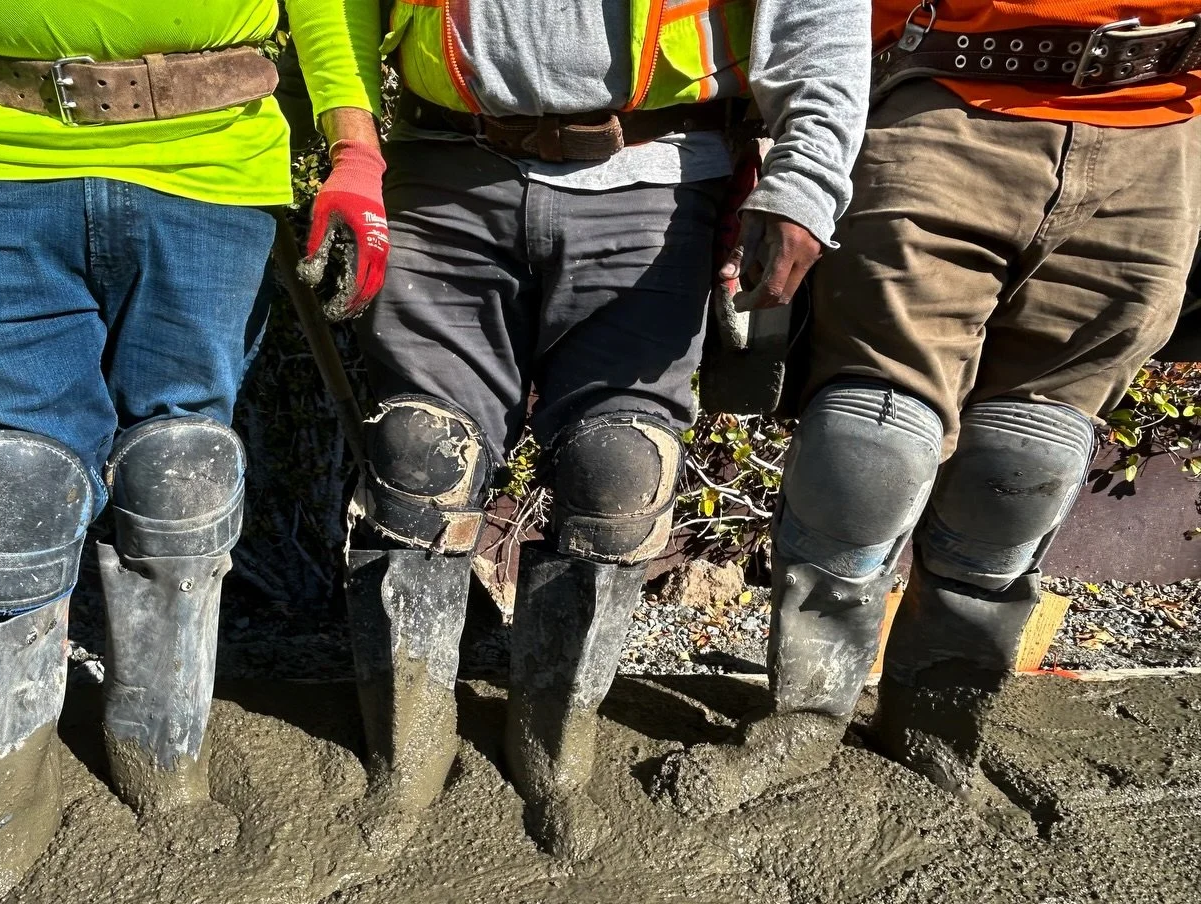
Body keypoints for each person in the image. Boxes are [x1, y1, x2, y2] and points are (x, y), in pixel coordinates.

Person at [0, 0, 388, 904]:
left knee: (179, 474)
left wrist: (356, 149)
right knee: (3, 497)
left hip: (210, 169)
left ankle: (164, 772)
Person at [342, 0, 871, 859]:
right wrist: (350, 150)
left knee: (619, 472)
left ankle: (556, 754)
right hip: (445, 168)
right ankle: (408, 750)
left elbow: (819, 15)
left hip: (655, 180)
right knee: (416, 458)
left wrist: (806, 180)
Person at [657, 2, 1201, 817]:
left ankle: (935, 725)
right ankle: (804, 720)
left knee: (1028, 461)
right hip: (945, 96)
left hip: (1162, 135)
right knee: (869, 450)